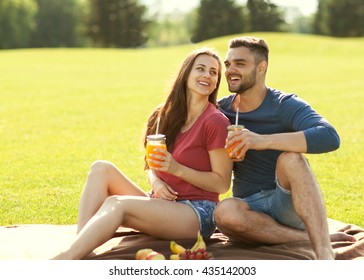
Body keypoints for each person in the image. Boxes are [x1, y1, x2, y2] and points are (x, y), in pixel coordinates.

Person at [52, 47, 232, 260]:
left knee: (117, 203)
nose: (206, 76)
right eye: (200, 69)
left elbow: (221, 184)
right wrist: (156, 182)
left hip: (197, 212)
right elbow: (152, 166)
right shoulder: (162, 114)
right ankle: (80, 244)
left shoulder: (215, 121)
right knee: (100, 168)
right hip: (160, 202)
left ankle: (65, 258)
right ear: (186, 73)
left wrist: (177, 169)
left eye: (213, 72)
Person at [214, 36, 352, 260]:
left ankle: (325, 253)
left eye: (240, 63)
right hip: (248, 207)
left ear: (261, 67)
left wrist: (262, 140)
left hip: (286, 201)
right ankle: (308, 237)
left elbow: (329, 136)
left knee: (291, 159)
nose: (230, 70)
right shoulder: (221, 111)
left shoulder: (283, 104)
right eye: (228, 64)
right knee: (224, 212)